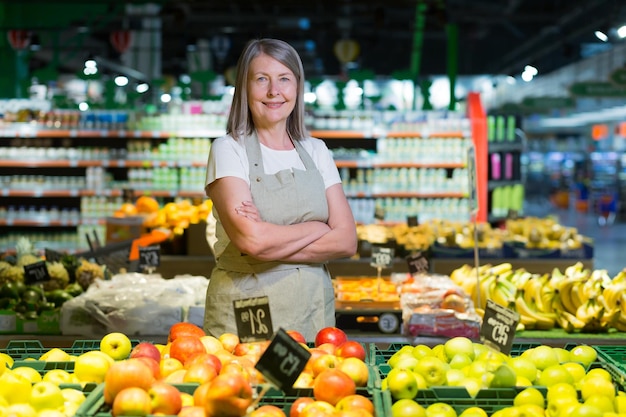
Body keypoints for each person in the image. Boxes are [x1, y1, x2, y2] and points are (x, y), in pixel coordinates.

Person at [203, 38, 357, 342]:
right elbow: (252, 240)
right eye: (262, 79)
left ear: (297, 87)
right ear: (244, 88)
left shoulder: (316, 150)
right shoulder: (228, 149)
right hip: (249, 309)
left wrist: (270, 240)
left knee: (310, 388)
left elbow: (347, 240)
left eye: (284, 79)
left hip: (311, 310)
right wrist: (318, 226)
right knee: (249, 386)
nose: (274, 91)